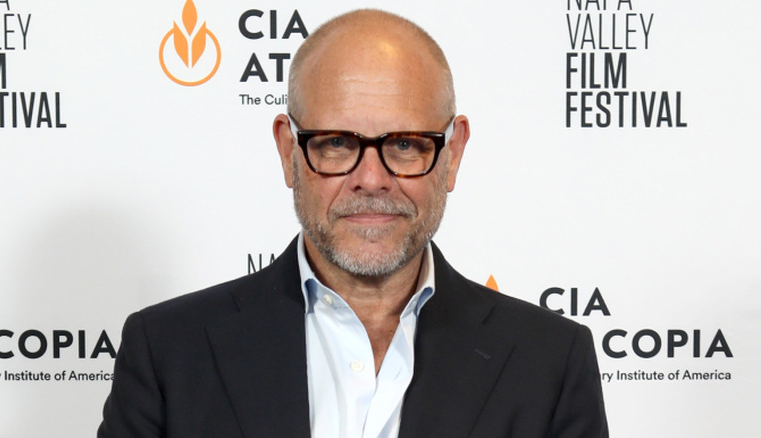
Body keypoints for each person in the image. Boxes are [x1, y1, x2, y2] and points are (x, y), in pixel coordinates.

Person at [98, 9, 608, 438]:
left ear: (452, 155)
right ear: (287, 152)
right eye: (337, 143)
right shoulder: (169, 351)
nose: (371, 178)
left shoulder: (551, 361)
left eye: (405, 145)